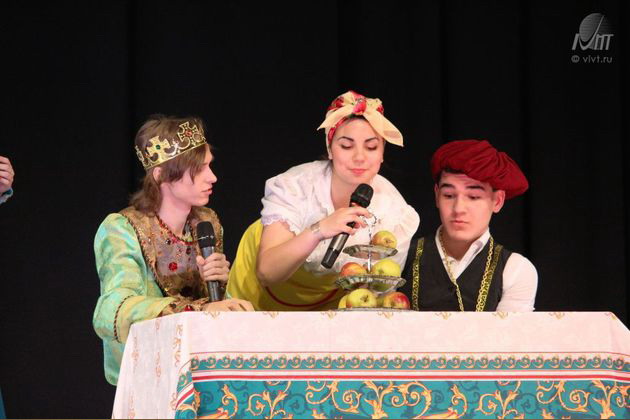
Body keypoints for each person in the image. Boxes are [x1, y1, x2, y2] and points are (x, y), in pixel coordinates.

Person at [93, 115, 253, 385]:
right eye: (199, 169)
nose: (212, 177)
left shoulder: (206, 223)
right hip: (148, 375)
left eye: (210, 166)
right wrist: (200, 310)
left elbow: (212, 309)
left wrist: (219, 288)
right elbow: (112, 312)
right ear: (161, 175)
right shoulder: (123, 228)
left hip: (200, 370)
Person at [227, 91, 420, 310]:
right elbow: (267, 272)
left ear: (382, 152)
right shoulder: (297, 186)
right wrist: (319, 230)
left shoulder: (392, 209)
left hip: (327, 303)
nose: (359, 157)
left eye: (371, 147)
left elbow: (379, 293)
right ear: (330, 149)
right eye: (346, 146)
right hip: (262, 290)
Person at [400, 139, 537, 312]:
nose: (458, 209)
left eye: (473, 197)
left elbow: (509, 330)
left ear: (497, 201)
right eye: (449, 195)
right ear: (437, 195)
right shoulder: (402, 255)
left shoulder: (515, 269)